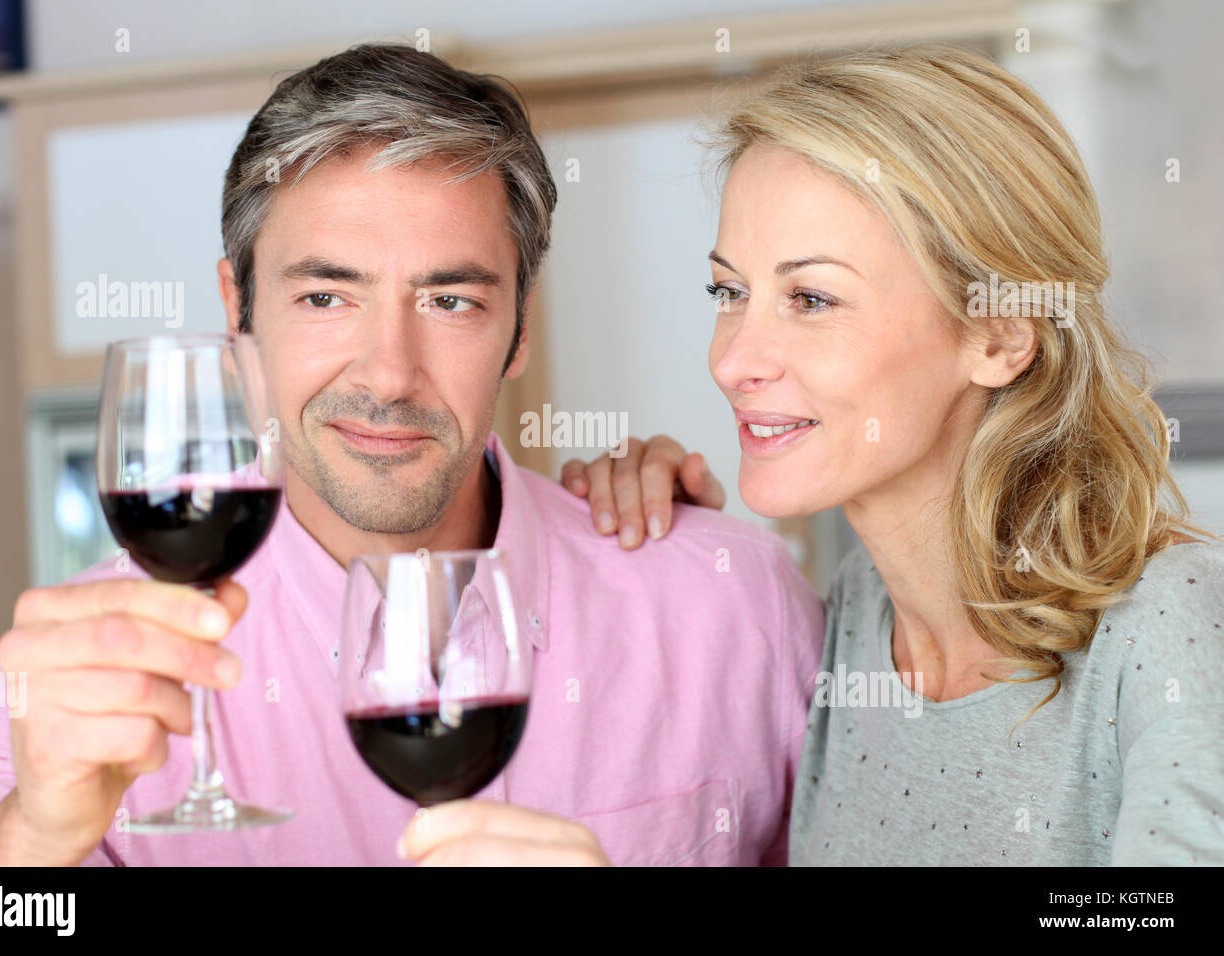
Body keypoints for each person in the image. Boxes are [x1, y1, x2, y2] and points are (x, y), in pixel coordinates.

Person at [0, 43, 824, 867]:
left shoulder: (735, 606)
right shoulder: (90, 670)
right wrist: (33, 836)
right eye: (326, 297)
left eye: (450, 301)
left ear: (518, 329)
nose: (389, 375)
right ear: (238, 310)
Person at [504, 44, 1224, 865]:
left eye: (812, 299)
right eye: (730, 292)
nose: (733, 360)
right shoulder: (859, 614)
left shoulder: (1169, 619)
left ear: (998, 335)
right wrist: (670, 559)